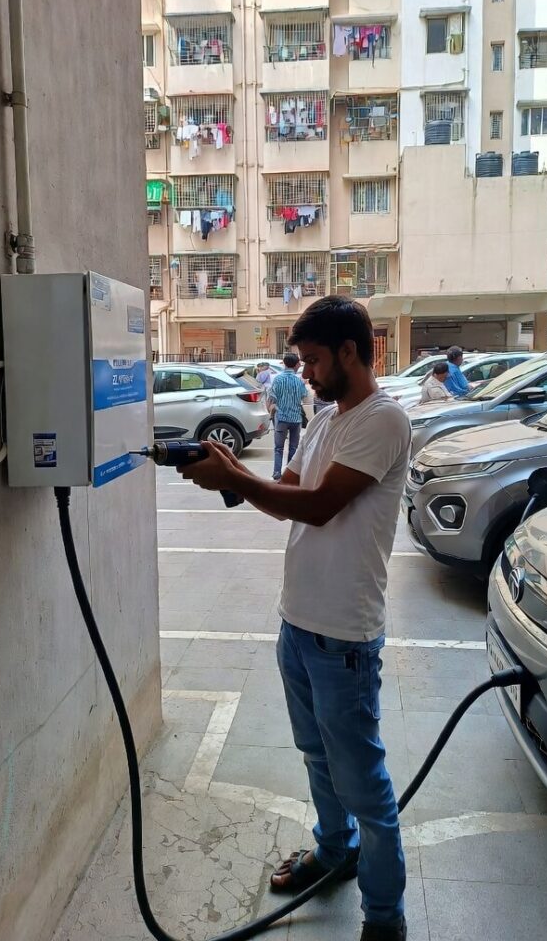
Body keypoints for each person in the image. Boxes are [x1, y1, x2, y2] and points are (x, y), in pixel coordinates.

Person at [177, 297, 411, 941]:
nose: (301, 371)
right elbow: (284, 494)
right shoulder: (324, 419)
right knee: (316, 756)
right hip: (299, 623)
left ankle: (385, 919)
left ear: (349, 352)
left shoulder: (383, 419)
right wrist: (227, 471)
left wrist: (237, 479)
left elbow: (317, 507)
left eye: (311, 360)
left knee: (364, 783)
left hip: (345, 636)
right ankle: (333, 851)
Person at [269, 353, 308, 481]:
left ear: (284, 363)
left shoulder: (277, 379)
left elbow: (272, 398)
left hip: (281, 418)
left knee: (278, 448)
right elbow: (304, 395)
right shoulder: (299, 381)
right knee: (293, 447)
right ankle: (289, 473)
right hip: (296, 418)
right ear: (296, 364)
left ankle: (276, 473)